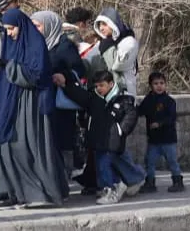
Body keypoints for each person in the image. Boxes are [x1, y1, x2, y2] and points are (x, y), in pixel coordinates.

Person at [0, 8, 69, 208]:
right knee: (6, 147)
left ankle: (38, 193)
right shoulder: (10, 43)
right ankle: (12, 192)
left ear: (21, 26)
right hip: (11, 103)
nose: (9, 33)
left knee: (28, 147)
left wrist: (9, 66)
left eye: (12, 28)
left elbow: (37, 75)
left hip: (31, 104)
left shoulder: (35, 43)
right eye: (6, 29)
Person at [53, 70, 143, 205]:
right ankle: (124, 183)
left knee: (107, 164)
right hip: (98, 139)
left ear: (111, 84)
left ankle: (113, 188)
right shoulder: (94, 98)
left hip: (113, 139)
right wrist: (66, 85)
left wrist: (120, 130)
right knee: (106, 164)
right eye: (97, 86)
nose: (99, 89)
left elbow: (131, 116)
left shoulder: (123, 99)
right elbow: (80, 95)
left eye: (102, 85)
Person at [32, 10, 87, 173]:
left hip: (59, 101)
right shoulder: (36, 45)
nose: (35, 30)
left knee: (60, 140)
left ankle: (62, 174)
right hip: (42, 99)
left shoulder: (64, 46)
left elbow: (79, 70)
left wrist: (64, 75)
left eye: (38, 26)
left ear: (50, 26)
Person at [138, 72, 185, 193]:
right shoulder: (148, 100)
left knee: (172, 161)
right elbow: (140, 111)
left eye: (162, 83)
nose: (159, 86)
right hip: (153, 139)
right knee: (150, 161)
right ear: (151, 85)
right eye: (156, 83)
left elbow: (171, 118)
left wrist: (159, 124)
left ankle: (177, 181)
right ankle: (150, 182)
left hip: (168, 139)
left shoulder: (169, 101)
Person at [93, 8, 139, 96]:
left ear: (113, 24)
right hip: (105, 91)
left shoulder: (128, 41)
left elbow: (117, 65)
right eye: (99, 25)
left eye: (104, 24)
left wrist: (107, 48)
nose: (101, 28)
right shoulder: (103, 43)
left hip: (124, 90)